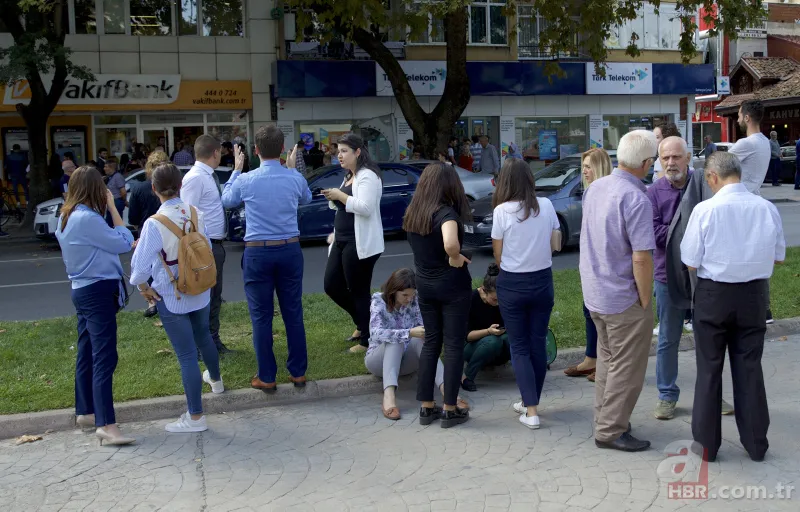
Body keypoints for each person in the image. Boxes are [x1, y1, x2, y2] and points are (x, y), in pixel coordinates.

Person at [680, 151, 785, 462]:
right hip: (753, 295)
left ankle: (707, 446)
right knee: (749, 367)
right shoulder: (766, 208)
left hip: (714, 295)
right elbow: (778, 256)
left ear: (712, 177)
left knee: (709, 370)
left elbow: (690, 260)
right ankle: (756, 444)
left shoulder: (705, 210)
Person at [130, 163, 225, 433]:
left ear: (153, 189)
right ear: (181, 185)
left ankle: (196, 417)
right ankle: (216, 382)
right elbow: (203, 245)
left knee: (186, 356)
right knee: (204, 336)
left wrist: (142, 287)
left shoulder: (154, 224)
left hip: (172, 293)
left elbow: (139, 269)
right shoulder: (197, 213)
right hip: (200, 287)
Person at [580, 130, 657, 452]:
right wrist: (645, 297)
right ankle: (611, 430)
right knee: (627, 367)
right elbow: (641, 257)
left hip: (596, 293)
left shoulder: (597, 187)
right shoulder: (636, 197)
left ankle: (607, 420)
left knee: (609, 362)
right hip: (623, 297)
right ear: (647, 163)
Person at [221, 125, 312, 391]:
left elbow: (226, 200)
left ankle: (267, 376)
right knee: (293, 311)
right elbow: (305, 199)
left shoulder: (246, 179)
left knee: (261, 316)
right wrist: (293, 169)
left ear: (256, 150)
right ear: (283, 149)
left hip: (258, 251)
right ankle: (298, 372)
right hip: (289, 248)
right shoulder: (293, 177)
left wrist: (236, 169)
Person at [55, 166, 135, 446]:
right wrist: (114, 210)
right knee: (104, 357)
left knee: (87, 350)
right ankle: (106, 424)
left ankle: (86, 411)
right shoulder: (87, 219)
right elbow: (123, 242)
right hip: (97, 291)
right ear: (95, 190)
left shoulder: (65, 216)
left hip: (81, 289)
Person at [491, 159, 561, 429]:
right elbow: (555, 242)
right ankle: (530, 401)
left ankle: (530, 410)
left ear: (505, 181)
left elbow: (498, 255)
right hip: (543, 280)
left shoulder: (501, 212)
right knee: (537, 343)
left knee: (519, 346)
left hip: (512, 283)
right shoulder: (546, 205)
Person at [404, 162, 472, 428]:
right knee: (453, 344)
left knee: (431, 342)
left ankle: (426, 407)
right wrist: (454, 256)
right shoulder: (446, 214)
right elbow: (450, 243)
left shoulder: (413, 213)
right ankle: (450, 408)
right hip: (452, 286)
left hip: (425, 284)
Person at [365, 268, 469, 420]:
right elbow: (375, 333)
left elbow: (422, 326)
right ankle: (389, 397)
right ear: (393, 290)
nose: (408, 299)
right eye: (404, 295)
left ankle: (448, 392)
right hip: (378, 360)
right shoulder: (378, 301)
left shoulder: (415, 301)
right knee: (396, 341)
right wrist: (408, 332)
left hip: (406, 360)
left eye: (411, 294)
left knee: (422, 340)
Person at [321, 133, 384, 353]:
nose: (339, 155)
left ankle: (368, 339)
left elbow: (365, 207)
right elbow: (344, 205)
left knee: (359, 290)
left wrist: (339, 195)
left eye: (344, 151)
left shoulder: (367, 176)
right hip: (342, 239)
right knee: (332, 285)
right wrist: (334, 197)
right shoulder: (350, 175)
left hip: (360, 242)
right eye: (338, 151)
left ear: (358, 152)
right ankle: (363, 323)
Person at [645, 136, 694, 421]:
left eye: (676, 157)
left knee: (710, 338)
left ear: (688, 158)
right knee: (668, 338)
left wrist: (674, 230)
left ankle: (714, 392)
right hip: (667, 276)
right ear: (659, 161)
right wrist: (691, 232)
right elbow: (656, 235)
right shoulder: (653, 193)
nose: (671, 163)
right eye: (665, 158)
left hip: (704, 276)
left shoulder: (703, 186)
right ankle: (666, 395)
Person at [564, 148, 613, 382]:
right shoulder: (589, 191)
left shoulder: (605, 192)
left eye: (589, 166)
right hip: (589, 261)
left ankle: (603, 363)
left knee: (602, 313)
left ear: (600, 167)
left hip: (603, 263)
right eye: (583, 166)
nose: (584, 171)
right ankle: (591, 359)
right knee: (589, 310)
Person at [181, 135, 231, 355]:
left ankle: (212, 340)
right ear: (215, 153)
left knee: (214, 297)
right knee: (206, 298)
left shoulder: (207, 176)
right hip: (204, 247)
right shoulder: (195, 178)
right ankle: (205, 345)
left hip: (214, 245)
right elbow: (187, 216)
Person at [728, 100, 773, 323]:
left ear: (747, 117)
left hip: (741, 205)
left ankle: (748, 308)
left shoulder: (748, 143)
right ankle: (764, 309)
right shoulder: (764, 141)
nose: (736, 119)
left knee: (739, 255)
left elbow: (720, 163)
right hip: (755, 200)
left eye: (738, 115)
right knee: (756, 256)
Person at [129, 151, 170, 318]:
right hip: (167, 231)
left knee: (146, 266)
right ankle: (165, 298)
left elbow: (133, 217)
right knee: (167, 266)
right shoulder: (171, 188)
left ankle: (152, 301)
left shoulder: (139, 189)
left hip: (146, 231)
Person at [461, 263, 510, 392]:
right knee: (493, 341)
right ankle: (467, 377)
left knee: (512, 338)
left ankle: (528, 371)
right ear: (483, 290)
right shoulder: (470, 299)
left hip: (498, 342)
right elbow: (467, 336)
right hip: (472, 345)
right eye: (494, 300)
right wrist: (488, 331)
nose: (498, 303)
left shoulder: (503, 299)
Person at [103, 156, 126, 228]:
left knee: (115, 224)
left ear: (111, 168)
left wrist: (123, 201)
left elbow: (123, 191)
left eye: (106, 167)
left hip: (117, 202)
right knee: (109, 223)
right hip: (111, 202)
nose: (104, 169)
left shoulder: (117, 177)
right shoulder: (109, 177)